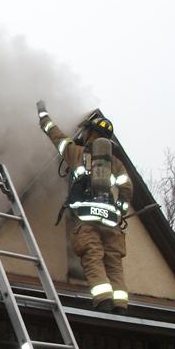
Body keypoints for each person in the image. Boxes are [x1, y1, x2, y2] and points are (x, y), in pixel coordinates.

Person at [36, 101, 133, 314]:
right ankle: (121, 305)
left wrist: (43, 115)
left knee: (92, 256)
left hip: (86, 217)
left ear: (89, 134)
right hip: (111, 220)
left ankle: (103, 300)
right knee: (114, 262)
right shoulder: (115, 164)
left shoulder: (76, 153)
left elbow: (56, 136)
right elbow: (127, 187)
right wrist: (121, 208)